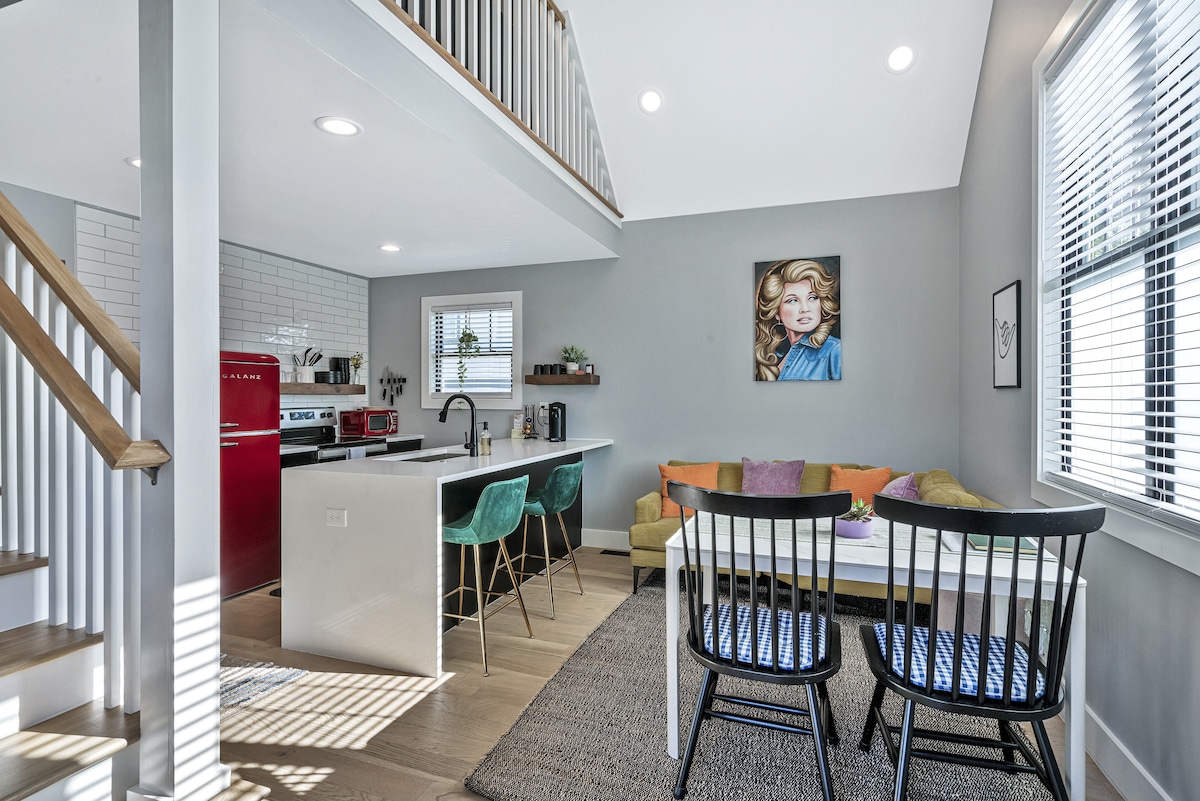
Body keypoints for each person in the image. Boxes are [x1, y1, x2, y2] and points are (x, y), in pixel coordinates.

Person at [753, 259, 841, 380]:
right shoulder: (777, 355)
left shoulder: (835, 351)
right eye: (792, 300)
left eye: (812, 297)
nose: (805, 309)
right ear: (776, 312)